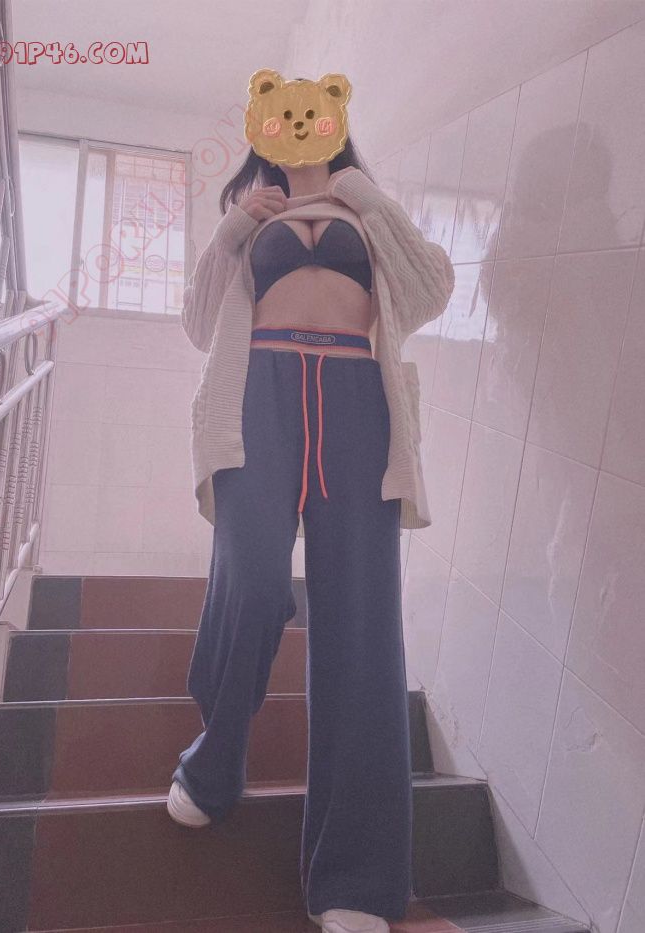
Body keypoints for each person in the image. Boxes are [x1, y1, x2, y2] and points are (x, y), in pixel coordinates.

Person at [167, 131, 455, 933]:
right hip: (257, 394)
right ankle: (216, 759)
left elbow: (431, 290)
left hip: (359, 401)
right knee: (255, 583)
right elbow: (199, 322)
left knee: (360, 628)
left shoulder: (366, 208)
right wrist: (235, 228)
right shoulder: (250, 213)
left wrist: (363, 194)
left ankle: (356, 877)